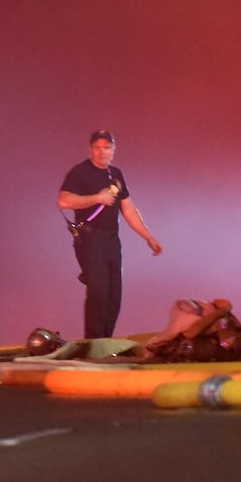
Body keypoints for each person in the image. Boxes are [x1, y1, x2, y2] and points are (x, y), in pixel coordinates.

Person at [58, 129, 163, 339]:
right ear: (90, 149)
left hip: (112, 241)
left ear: (113, 150)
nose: (102, 152)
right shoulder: (80, 172)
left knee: (114, 295)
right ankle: (94, 344)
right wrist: (96, 198)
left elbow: (129, 209)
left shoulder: (116, 175)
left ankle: (105, 342)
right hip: (90, 239)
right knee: (98, 292)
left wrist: (148, 236)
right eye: (97, 147)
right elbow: (64, 200)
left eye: (106, 147)